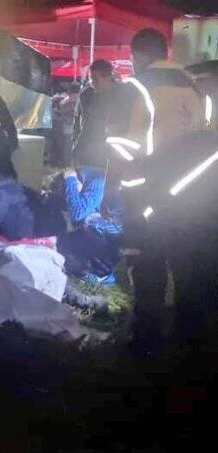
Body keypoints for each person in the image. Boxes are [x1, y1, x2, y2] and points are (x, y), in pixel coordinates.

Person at [107, 28, 208, 354]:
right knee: (186, 265)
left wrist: (109, 190)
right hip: (189, 193)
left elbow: (121, 148)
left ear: (137, 55)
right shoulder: (196, 88)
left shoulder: (134, 88)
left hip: (145, 194)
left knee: (147, 263)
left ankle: (146, 338)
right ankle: (190, 340)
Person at [56, 167, 123, 284]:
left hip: (113, 232)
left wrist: (70, 181)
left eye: (68, 189)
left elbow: (77, 213)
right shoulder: (87, 179)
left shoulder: (97, 181)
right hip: (104, 227)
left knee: (90, 224)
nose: (70, 194)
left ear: (76, 180)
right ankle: (85, 264)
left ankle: (102, 272)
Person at [72, 59, 117, 168]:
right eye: (91, 78)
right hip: (86, 152)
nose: (92, 82)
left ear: (108, 77)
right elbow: (78, 122)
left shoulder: (120, 95)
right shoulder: (86, 94)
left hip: (109, 153)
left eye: (95, 79)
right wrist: (76, 145)